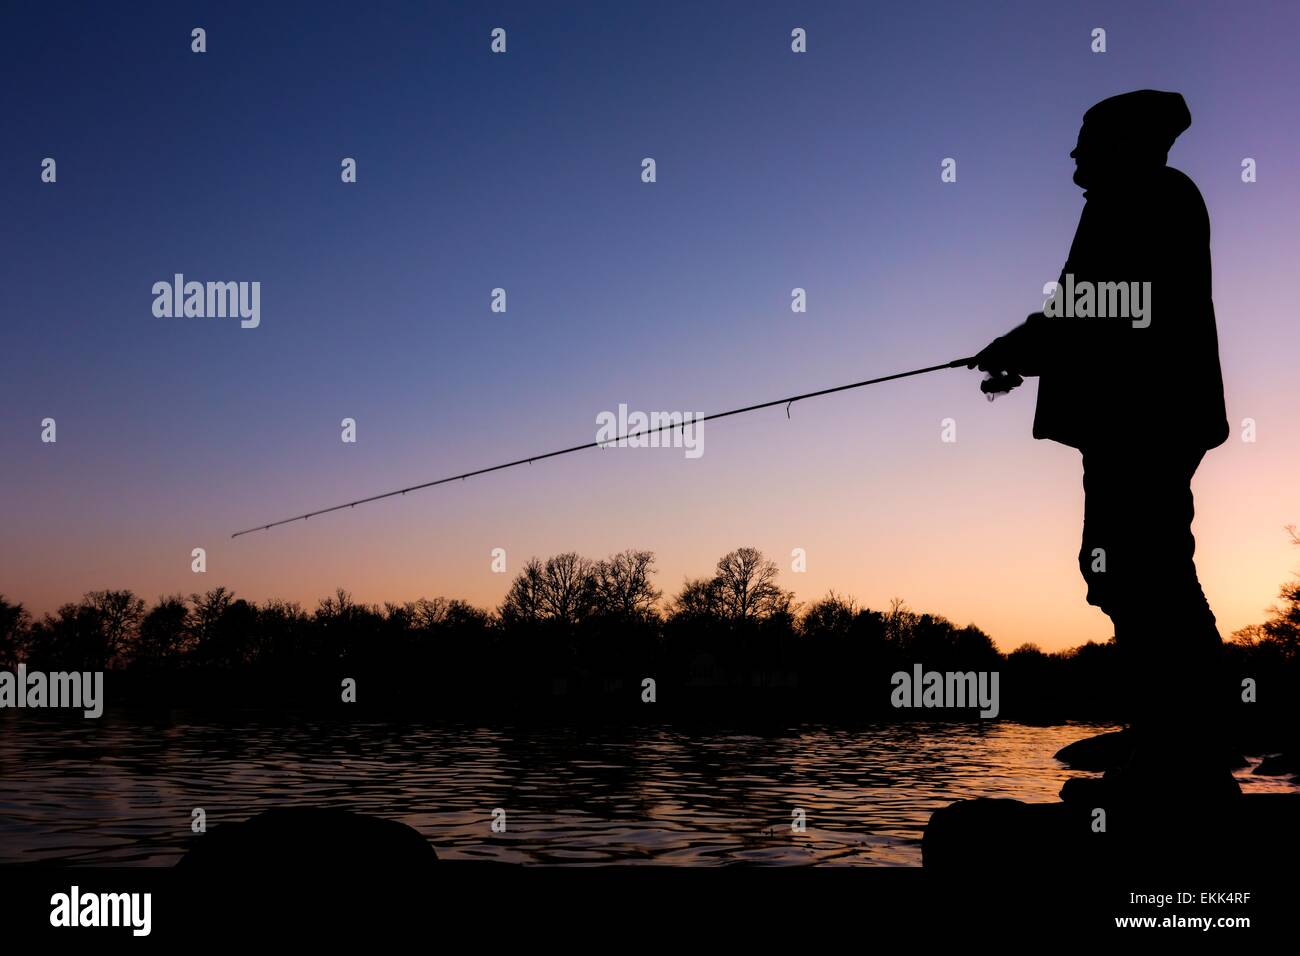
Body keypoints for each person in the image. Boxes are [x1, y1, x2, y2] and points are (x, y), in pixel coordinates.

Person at [970, 90, 1238, 801]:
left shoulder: (1147, 195)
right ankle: (1174, 755)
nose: (1074, 154)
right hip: (1139, 420)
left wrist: (1026, 344)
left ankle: (1181, 764)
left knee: (1147, 576)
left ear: (1121, 142)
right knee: (1136, 574)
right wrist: (1027, 347)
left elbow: (1105, 307)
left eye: (1085, 139)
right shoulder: (1140, 195)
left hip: (1146, 420)